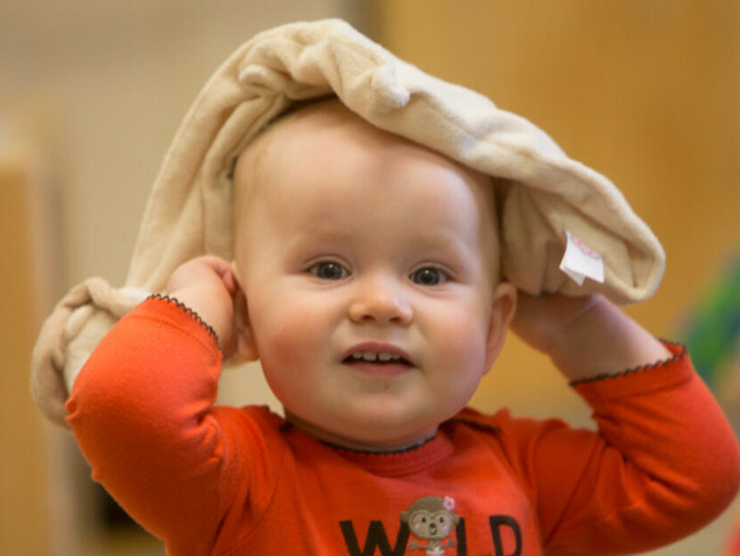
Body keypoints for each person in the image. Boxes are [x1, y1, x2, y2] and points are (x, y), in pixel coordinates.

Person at [31, 19, 739, 556]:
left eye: (429, 275)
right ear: (248, 310)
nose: (380, 303)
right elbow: (124, 409)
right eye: (328, 268)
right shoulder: (235, 480)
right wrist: (201, 297)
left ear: (495, 326)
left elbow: (696, 476)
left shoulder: (520, 468)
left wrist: (577, 323)